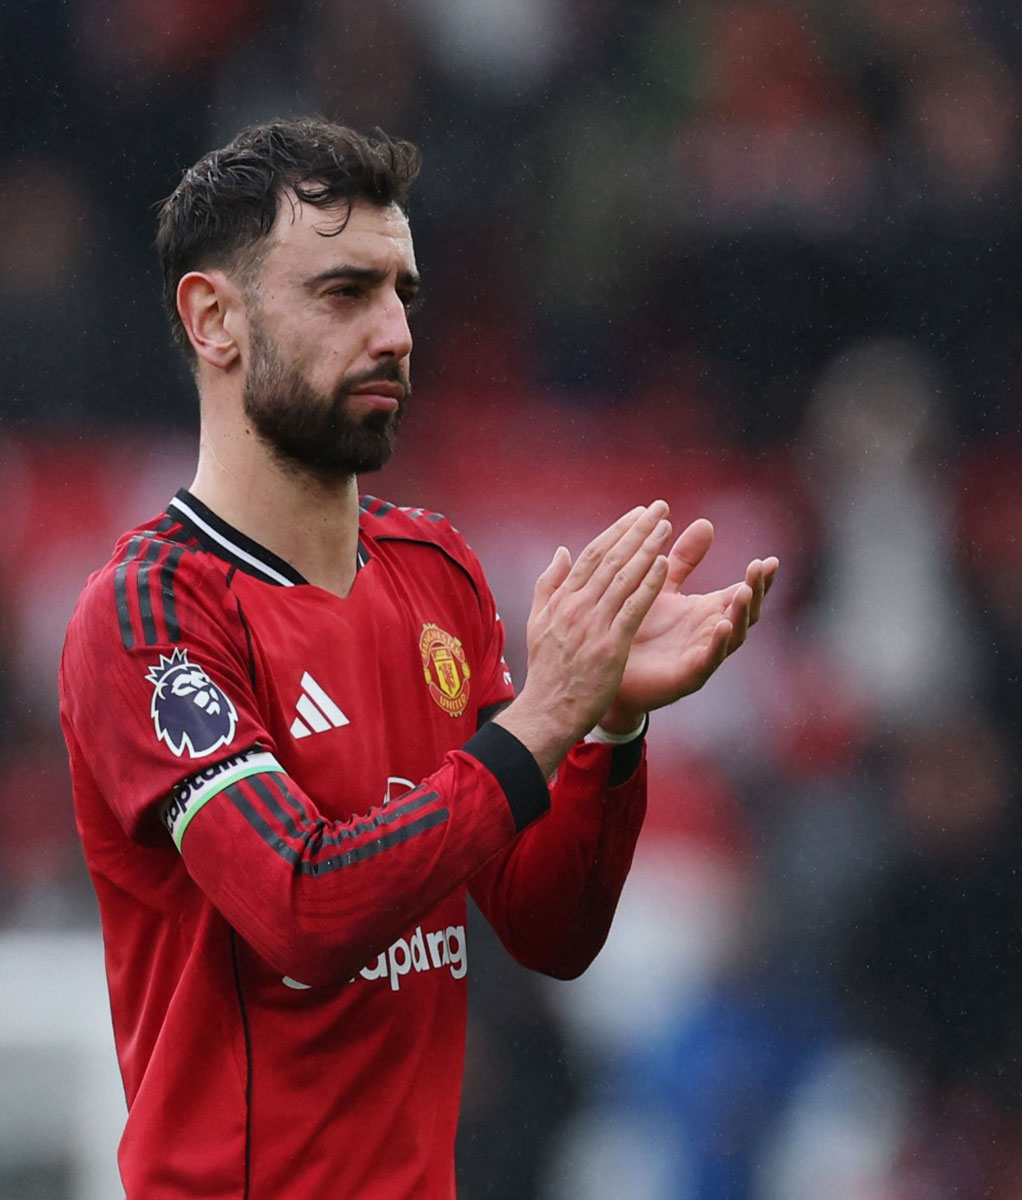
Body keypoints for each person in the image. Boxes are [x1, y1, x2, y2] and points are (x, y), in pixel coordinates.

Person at [58, 117, 779, 1199]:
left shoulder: (433, 570)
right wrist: (546, 717)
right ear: (214, 320)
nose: (395, 332)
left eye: (403, 293)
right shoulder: (153, 612)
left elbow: (547, 929)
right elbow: (302, 912)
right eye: (344, 294)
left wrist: (607, 727)